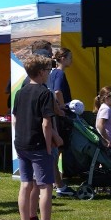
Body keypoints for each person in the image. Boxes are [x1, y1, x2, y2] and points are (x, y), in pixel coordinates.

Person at [14, 55, 67, 220]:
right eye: (47, 70)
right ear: (40, 72)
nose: (49, 73)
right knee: (45, 186)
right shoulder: (45, 93)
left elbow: (16, 118)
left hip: (21, 143)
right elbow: (46, 123)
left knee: (26, 184)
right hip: (37, 144)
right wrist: (48, 145)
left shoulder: (20, 93)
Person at [48, 48, 75, 197]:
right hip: (59, 116)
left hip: (54, 114)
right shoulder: (59, 73)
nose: (72, 60)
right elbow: (57, 92)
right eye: (70, 57)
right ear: (63, 58)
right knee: (56, 151)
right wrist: (63, 107)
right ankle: (59, 184)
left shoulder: (52, 73)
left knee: (55, 151)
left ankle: (56, 182)